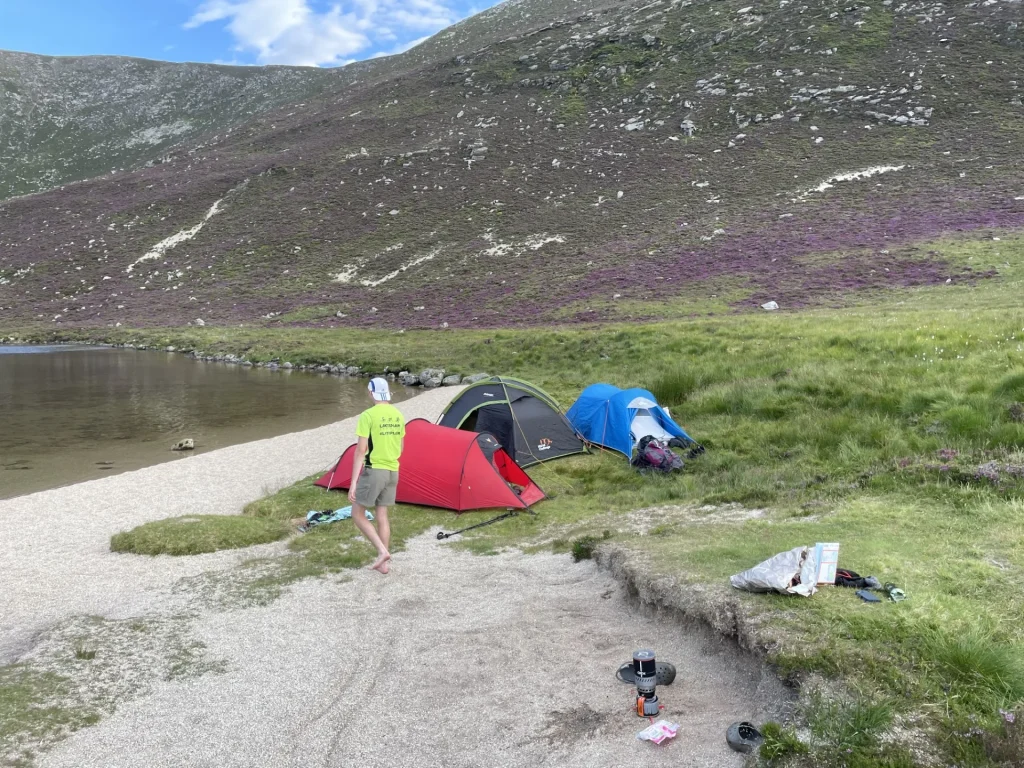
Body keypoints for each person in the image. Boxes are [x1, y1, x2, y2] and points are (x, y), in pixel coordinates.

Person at [349, 377, 405, 574]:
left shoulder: (368, 415)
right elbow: (401, 446)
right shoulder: (398, 414)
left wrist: (353, 482)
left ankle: (382, 552)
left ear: (371, 393)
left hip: (375, 470)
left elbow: (360, 450)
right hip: (393, 471)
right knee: (382, 515)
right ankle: (384, 564)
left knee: (357, 513)